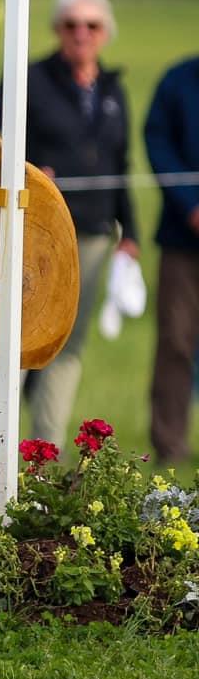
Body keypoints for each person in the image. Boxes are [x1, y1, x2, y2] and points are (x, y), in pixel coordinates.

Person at [0, 0, 138, 446]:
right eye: (72, 24)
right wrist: (30, 169)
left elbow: (122, 165)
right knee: (20, 340)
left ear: (104, 33)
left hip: (94, 236)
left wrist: (130, 233)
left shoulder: (113, 92)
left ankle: (42, 458)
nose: (81, 33)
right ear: (58, 29)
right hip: (36, 231)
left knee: (67, 347)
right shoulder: (28, 81)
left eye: (91, 25)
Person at [145, 49, 199, 463]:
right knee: (176, 341)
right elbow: (158, 143)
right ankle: (170, 446)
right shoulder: (178, 80)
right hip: (184, 239)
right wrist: (190, 206)